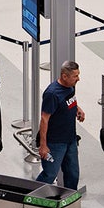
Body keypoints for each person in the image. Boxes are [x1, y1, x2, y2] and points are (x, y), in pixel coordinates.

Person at [36, 61, 85, 196]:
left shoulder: (70, 86)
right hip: (55, 143)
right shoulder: (52, 94)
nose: (78, 79)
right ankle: (32, 200)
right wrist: (43, 145)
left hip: (70, 140)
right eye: (75, 76)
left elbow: (70, 100)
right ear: (64, 76)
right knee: (49, 175)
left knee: (73, 175)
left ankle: (69, 205)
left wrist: (77, 109)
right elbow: (44, 119)